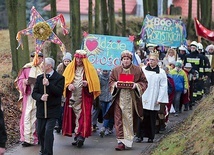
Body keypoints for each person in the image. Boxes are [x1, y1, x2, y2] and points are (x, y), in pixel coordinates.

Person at [105, 50, 148, 151]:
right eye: (124, 59)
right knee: (118, 120)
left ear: (131, 60)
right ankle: (120, 142)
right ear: (121, 60)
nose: (126, 61)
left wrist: (135, 85)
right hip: (119, 99)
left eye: (127, 59)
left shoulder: (138, 70)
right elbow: (111, 81)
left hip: (132, 100)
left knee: (130, 119)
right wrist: (115, 84)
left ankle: (128, 140)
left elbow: (144, 82)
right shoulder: (115, 70)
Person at [62, 50, 101, 148]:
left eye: (81, 58)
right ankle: (76, 135)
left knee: (83, 116)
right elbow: (64, 81)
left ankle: (81, 136)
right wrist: (68, 85)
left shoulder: (90, 69)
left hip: (84, 97)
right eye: (77, 58)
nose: (79, 60)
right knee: (73, 116)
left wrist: (88, 84)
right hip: (72, 97)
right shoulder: (70, 68)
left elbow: (95, 83)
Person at [32, 57, 65, 155]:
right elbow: (34, 93)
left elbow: (59, 92)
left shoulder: (59, 78)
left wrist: (49, 84)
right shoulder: (39, 78)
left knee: (48, 132)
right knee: (41, 132)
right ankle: (43, 149)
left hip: (53, 110)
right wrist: (41, 97)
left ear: (49, 66)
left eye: (43, 64)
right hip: (41, 109)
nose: (41, 66)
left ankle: (48, 153)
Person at [14, 51, 43, 147]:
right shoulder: (27, 68)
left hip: (40, 97)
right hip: (29, 95)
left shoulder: (44, 68)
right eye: (35, 57)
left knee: (38, 118)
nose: (37, 59)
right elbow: (20, 80)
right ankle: (27, 139)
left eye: (39, 57)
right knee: (27, 116)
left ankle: (38, 137)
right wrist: (24, 82)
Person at [139, 51, 168, 143]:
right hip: (143, 96)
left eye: (153, 60)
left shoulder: (161, 72)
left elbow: (163, 86)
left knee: (152, 118)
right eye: (150, 60)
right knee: (141, 117)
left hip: (154, 97)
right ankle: (139, 135)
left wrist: (160, 98)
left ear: (157, 61)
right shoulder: (143, 69)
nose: (151, 61)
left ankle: (150, 136)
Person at [54, 52, 72, 133]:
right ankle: (59, 124)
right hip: (61, 90)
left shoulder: (72, 68)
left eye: (68, 61)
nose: (66, 63)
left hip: (69, 91)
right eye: (65, 61)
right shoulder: (60, 69)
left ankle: (66, 125)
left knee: (67, 109)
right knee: (60, 109)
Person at [98, 70, 114, 137]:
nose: (105, 72)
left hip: (110, 97)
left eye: (106, 70)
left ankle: (104, 128)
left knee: (108, 112)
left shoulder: (112, 76)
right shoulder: (99, 77)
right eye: (104, 71)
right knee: (104, 114)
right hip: (102, 97)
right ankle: (108, 127)